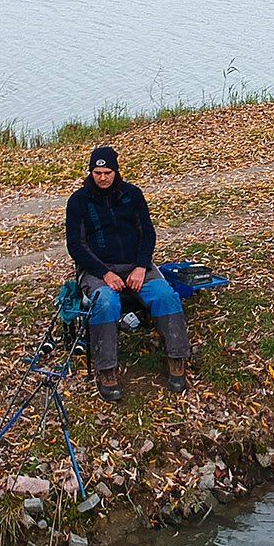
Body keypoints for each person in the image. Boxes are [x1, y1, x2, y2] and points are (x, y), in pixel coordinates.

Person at [65, 145, 190, 401]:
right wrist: (104, 273)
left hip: (136, 266)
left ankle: (178, 358)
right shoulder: (78, 202)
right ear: (91, 173)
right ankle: (106, 369)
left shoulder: (133, 195)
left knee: (165, 295)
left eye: (107, 172)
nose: (102, 177)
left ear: (116, 171)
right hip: (98, 270)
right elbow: (76, 246)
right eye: (97, 172)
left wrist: (142, 266)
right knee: (106, 302)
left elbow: (148, 233)